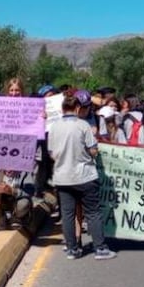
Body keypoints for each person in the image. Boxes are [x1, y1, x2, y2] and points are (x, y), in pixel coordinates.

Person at [48, 93, 116, 260]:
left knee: (67, 214)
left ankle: (72, 249)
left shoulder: (54, 127)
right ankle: (100, 248)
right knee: (93, 212)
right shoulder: (83, 125)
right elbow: (93, 150)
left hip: (62, 178)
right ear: (77, 108)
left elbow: (51, 153)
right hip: (85, 176)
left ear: (62, 109)